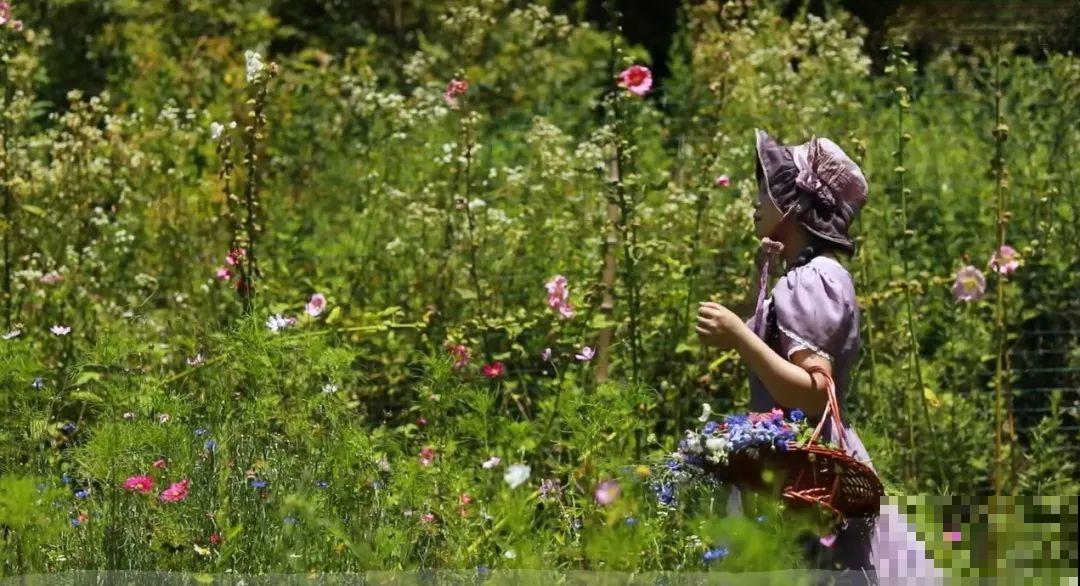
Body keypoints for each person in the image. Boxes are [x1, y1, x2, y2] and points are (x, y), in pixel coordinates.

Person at [694, 129, 945, 585]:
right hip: (790, 467)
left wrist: (737, 335)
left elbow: (813, 394)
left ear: (793, 206)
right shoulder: (807, 277)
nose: (754, 202)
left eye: (764, 191)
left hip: (806, 475)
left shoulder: (815, 280)